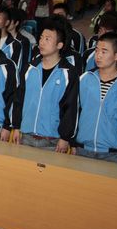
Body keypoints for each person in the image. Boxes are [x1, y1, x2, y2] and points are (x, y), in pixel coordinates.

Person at [10, 18, 79, 152]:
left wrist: (65, 137)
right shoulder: (30, 68)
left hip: (53, 140)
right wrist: (16, 126)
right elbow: (19, 99)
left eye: (47, 39)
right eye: (41, 38)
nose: (41, 42)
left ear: (59, 45)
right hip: (26, 136)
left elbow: (71, 108)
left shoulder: (68, 73)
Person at [75, 33, 117, 164]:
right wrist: (72, 143)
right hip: (82, 149)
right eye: (97, 50)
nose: (98, 55)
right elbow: (74, 112)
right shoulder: (85, 79)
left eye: (104, 52)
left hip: (113, 153)